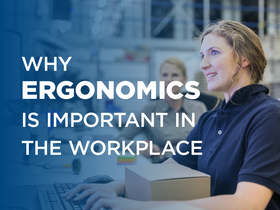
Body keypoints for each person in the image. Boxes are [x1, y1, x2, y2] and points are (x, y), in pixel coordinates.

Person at [63, 20, 280, 210]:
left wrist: (141, 207)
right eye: (202, 55)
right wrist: (115, 186)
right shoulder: (209, 120)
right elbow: (171, 167)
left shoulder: (268, 116)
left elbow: (248, 204)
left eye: (214, 53)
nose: (204, 65)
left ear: (244, 59)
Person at [116, 57, 207, 159]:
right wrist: (140, 147)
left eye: (175, 75)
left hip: (194, 166)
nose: (169, 79)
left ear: (185, 79)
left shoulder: (199, 108)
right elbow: (120, 141)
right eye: (164, 75)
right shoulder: (150, 109)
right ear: (160, 78)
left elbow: (209, 142)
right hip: (162, 165)